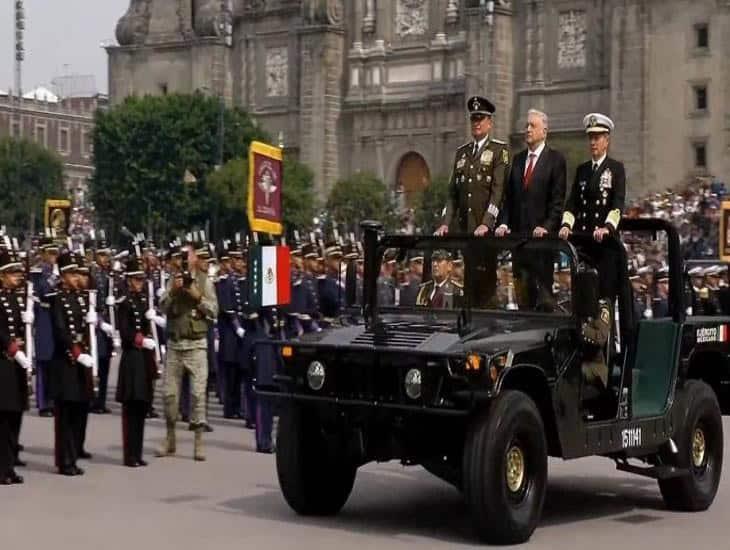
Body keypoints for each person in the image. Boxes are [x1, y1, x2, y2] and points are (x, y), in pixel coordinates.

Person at [434, 96, 510, 307]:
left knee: (486, 288)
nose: (476, 123)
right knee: (469, 287)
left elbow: (498, 191)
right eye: (473, 119)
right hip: (467, 231)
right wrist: (445, 223)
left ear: (489, 122)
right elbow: (453, 195)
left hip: (485, 233)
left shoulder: (499, 151)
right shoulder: (462, 153)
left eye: (481, 119)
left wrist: (487, 222)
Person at [496, 109, 567, 309]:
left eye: (532, 126)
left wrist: (547, 226)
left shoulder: (555, 160)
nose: (527, 129)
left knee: (543, 300)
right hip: (520, 244)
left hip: (542, 246)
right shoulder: (517, 161)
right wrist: (503, 222)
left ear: (544, 131)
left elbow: (557, 201)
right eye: (526, 125)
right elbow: (509, 200)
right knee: (522, 300)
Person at [157, 246, 218, 461]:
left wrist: (197, 297)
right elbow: (162, 306)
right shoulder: (172, 281)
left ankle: (199, 441)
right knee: (169, 396)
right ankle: (170, 437)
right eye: (178, 258)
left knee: (198, 395)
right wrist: (173, 291)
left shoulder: (204, 281)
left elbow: (214, 311)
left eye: (186, 257)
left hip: (196, 345)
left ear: (194, 259)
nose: (182, 261)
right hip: (175, 345)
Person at [559, 113, 626, 301]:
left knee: (605, 297)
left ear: (606, 141)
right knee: (583, 295)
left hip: (605, 244)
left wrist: (608, 227)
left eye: (597, 138)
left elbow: (617, 204)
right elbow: (572, 203)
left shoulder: (615, 169)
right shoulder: (582, 170)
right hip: (584, 242)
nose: (593, 143)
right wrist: (566, 225)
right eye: (590, 138)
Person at [49, 252, 94, 476]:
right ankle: (64, 460)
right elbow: (60, 330)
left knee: (77, 409)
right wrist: (75, 351)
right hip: (65, 361)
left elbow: (84, 329)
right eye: (73, 274)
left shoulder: (81, 298)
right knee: (65, 413)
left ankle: (73, 455)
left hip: (80, 360)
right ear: (64, 275)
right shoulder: (58, 299)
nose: (77, 277)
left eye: (78, 273)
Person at [116, 256, 156, 467]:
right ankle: (129, 454)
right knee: (131, 409)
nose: (140, 282)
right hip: (132, 357)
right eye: (137, 279)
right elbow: (125, 331)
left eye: (142, 279)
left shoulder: (144, 301)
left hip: (145, 359)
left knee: (142, 407)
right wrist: (141, 340)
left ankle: (138, 452)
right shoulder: (125, 302)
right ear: (129, 280)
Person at [0, 250, 31, 485]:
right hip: (4, 364)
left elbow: (20, 330)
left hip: (17, 365)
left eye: (18, 272)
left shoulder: (15, 298)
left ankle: (9, 466)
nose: (17, 276)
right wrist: (12, 348)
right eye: (12, 273)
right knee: (3, 420)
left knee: (15, 417)